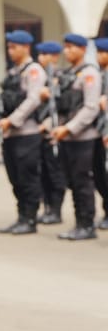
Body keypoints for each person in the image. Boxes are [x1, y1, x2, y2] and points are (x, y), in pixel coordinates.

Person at [0, 31, 46, 234]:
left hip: (27, 133)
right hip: (11, 134)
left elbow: (33, 100)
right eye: (9, 47)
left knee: (27, 178)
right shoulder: (13, 72)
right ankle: (21, 216)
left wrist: (11, 120)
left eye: (14, 47)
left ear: (26, 47)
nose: (10, 51)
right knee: (15, 178)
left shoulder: (34, 71)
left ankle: (30, 219)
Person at [49, 33, 102, 240]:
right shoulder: (67, 73)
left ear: (82, 49)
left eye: (71, 47)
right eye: (66, 47)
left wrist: (69, 128)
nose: (67, 51)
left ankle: (87, 225)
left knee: (82, 182)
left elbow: (91, 107)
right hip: (67, 136)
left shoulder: (89, 73)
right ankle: (79, 223)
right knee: (72, 181)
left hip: (83, 137)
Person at [35, 41, 66, 224]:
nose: (41, 58)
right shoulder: (39, 77)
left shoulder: (61, 78)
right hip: (37, 134)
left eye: (45, 54)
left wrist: (46, 126)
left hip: (53, 133)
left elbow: (61, 108)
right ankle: (47, 208)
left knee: (55, 174)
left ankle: (56, 210)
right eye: (40, 54)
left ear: (54, 57)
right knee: (42, 174)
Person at [92, 37, 108, 229]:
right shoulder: (100, 74)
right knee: (101, 175)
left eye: (103, 52)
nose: (99, 56)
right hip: (99, 131)